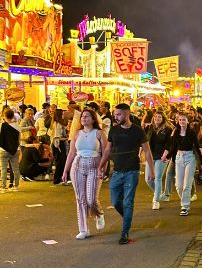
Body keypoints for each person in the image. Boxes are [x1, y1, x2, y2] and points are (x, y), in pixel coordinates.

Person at [99, 103, 155, 244]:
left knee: (128, 202)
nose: (115, 117)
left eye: (118, 114)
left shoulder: (138, 131)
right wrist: (101, 165)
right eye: (115, 114)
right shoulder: (114, 130)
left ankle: (124, 233)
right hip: (117, 171)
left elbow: (147, 151)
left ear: (126, 114)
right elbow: (107, 150)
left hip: (132, 171)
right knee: (115, 201)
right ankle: (127, 218)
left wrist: (152, 170)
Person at [62, 108, 107, 239]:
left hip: (94, 165)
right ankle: (83, 229)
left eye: (87, 116)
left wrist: (103, 168)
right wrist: (65, 170)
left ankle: (99, 214)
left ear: (93, 119)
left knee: (91, 198)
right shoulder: (76, 134)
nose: (84, 118)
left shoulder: (99, 133)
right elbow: (71, 153)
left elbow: (105, 153)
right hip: (78, 165)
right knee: (80, 198)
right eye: (82, 117)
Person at [168, 112, 201, 216]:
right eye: (180, 120)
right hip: (178, 158)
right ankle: (186, 199)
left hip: (190, 158)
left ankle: (185, 206)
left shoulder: (191, 133)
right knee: (178, 185)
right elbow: (172, 147)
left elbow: (197, 146)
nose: (182, 121)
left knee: (187, 184)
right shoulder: (176, 132)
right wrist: (168, 157)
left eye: (183, 119)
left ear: (187, 121)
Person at [146, 111, 172, 209]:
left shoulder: (168, 129)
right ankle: (158, 192)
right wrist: (140, 154)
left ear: (163, 119)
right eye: (156, 116)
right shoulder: (150, 128)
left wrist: (165, 155)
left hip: (162, 156)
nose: (157, 118)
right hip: (151, 156)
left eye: (159, 117)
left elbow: (169, 144)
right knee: (148, 179)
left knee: (157, 178)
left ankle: (156, 200)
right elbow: (145, 142)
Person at [0, 108, 21, 192]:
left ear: (4, 116)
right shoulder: (17, 126)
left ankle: (3, 187)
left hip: (3, 150)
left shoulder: (1, 125)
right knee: (15, 168)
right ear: (13, 116)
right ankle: (16, 186)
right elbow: (19, 139)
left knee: (3, 168)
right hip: (15, 149)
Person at [49, 108, 68, 185]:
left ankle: (59, 178)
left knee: (60, 162)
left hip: (56, 145)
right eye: (62, 114)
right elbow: (57, 137)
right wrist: (66, 138)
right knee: (60, 162)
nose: (63, 115)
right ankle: (57, 179)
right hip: (58, 145)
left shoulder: (54, 123)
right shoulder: (58, 124)